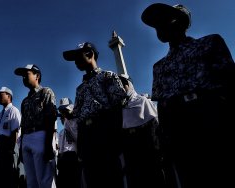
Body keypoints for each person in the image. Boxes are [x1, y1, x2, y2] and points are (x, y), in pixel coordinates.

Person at [141, 3, 235, 188]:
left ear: (182, 22)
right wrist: (163, 139)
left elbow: (229, 82)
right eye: (156, 23)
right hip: (177, 129)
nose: (159, 26)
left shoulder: (209, 43)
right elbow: (162, 104)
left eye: (164, 20)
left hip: (210, 118)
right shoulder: (159, 66)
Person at [62, 42, 127, 187]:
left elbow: (118, 107)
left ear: (90, 54)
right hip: (87, 136)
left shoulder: (107, 76)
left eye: (78, 57)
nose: (76, 62)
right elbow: (78, 116)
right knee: (93, 178)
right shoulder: (80, 88)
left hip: (105, 132)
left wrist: (116, 137)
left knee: (111, 176)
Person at [14, 64, 57, 188]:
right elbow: (23, 124)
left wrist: (48, 143)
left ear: (37, 76)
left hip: (41, 136)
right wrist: (22, 146)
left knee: (45, 179)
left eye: (26, 74)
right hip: (26, 137)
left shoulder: (46, 92)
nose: (23, 78)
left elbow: (50, 118)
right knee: (31, 181)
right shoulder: (25, 101)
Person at [119, 76, 165, 188]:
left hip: (148, 148)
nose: (121, 87)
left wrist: (159, 151)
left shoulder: (143, 101)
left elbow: (155, 126)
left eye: (123, 84)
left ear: (130, 85)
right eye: (117, 85)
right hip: (131, 153)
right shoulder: (118, 109)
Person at [0, 87, 21, 188]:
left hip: (9, 144)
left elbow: (15, 131)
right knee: (0, 174)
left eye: (1, 95)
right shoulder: (0, 115)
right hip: (0, 145)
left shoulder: (14, 110)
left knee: (10, 174)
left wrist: (11, 149)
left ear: (8, 96)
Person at [56, 97, 80, 188]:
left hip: (74, 154)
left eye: (66, 110)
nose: (64, 113)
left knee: (74, 181)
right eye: (62, 111)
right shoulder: (66, 121)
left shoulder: (78, 119)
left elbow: (79, 138)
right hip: (64, 156)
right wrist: (60, 155)